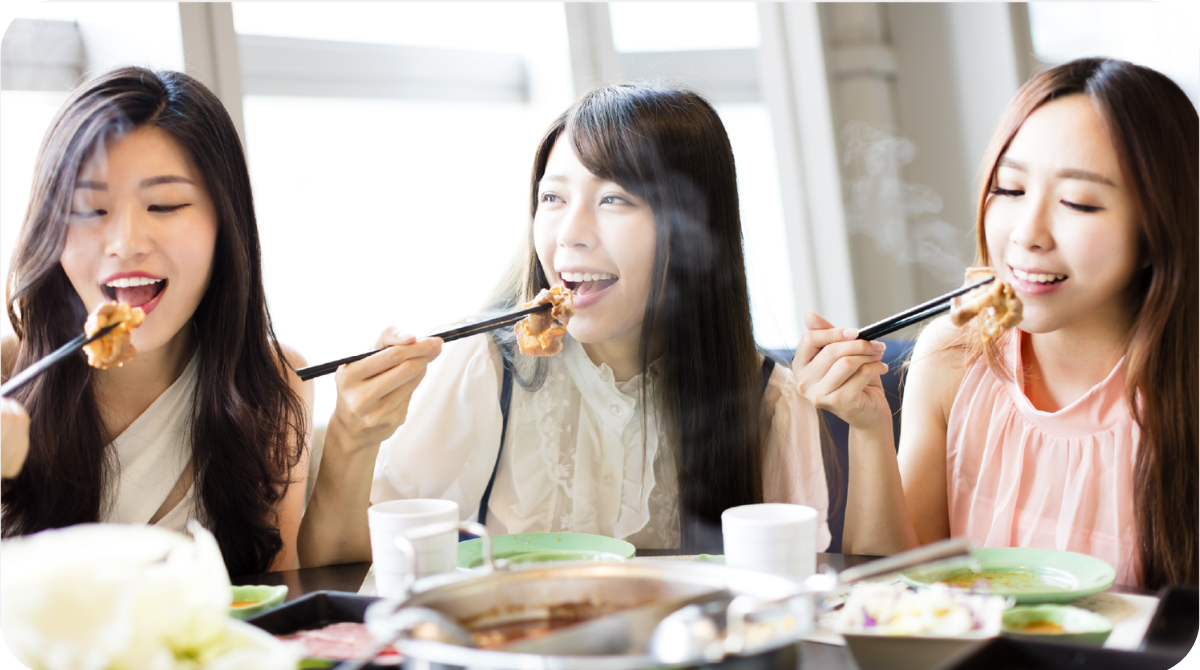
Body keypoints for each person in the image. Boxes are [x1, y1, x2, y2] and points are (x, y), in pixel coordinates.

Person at [300, 84, 839, 566]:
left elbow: (796, 596)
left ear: (697, 231)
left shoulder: (767, 402)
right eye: (552, 197)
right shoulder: (481, 368)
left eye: (614, 199)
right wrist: (352, 437)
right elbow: (350, 569)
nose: (569, 235)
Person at [795, 58, 1197, 589]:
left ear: (1156, 231)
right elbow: (897, 593)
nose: (1027, 234)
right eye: (1009, 190)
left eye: (1078, 202)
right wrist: (868, 427)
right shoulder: (954, 356)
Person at [1, 67, 318, 575]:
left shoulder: (269, 383)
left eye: (165, 204)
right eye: (88, 209)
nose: (126, 242)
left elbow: (270, 599)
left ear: (225, 221)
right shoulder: (7, 375)